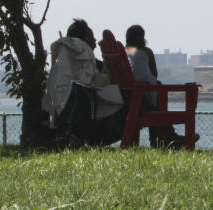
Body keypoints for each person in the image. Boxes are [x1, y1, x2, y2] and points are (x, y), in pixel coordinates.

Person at [42, 19, 124, 147]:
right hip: (76, 97)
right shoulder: (81, 49)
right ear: (84, 38)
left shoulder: (66, 50)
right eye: (92, 37)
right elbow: (88, 79)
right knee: (117, 97)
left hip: (61, 97)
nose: (95, 41)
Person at [124, 24, 196, 149]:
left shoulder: (124, 54)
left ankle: (165, 138)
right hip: (143, 99)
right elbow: (154, 74)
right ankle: (166, 138)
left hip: (129, 98)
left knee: (155, 98)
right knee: (158, 93)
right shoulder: (146, 52)